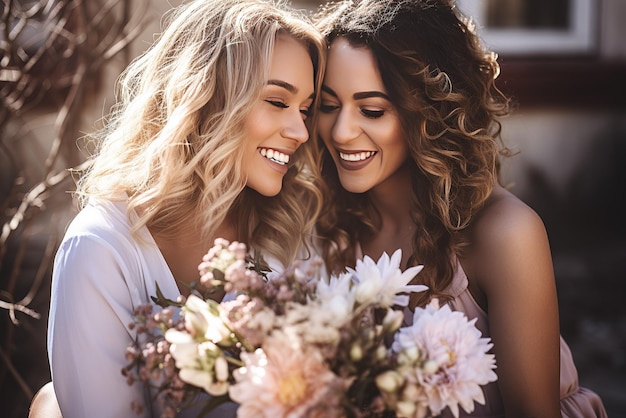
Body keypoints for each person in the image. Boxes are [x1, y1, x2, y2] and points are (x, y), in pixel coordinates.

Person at [313, 1, 608, 417]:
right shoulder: (331, 223)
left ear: (431, 112)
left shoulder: (506, 234)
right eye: (328, 105)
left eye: (372, 110)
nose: (341, 132)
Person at [43, 0, 325, 416]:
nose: (300, 130)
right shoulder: (99, 250)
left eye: (305, 109)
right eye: (278, 102)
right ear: (207, 97)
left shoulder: (289, 236)